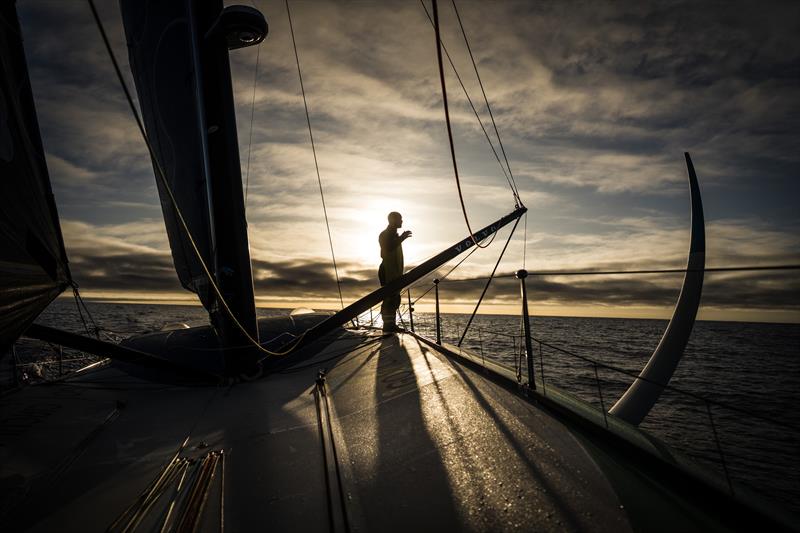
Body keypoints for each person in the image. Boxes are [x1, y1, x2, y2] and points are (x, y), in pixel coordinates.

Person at [378, 211, 411, 332]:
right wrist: (402, 238)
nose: (402, 221)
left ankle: (391, 324)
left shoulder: (394, 235)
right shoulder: (385, 234)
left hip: (395, 273)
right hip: (387, 272)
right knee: (389, 298)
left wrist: (400, 238)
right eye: (400, 219)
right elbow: (387, 248)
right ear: (393, 220)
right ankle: (388, 325)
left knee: (395, 298)